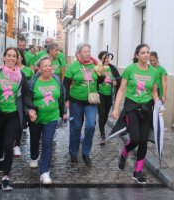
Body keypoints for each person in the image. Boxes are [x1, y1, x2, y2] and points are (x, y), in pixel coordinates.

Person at [111, 44, 159, 184]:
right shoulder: (130, 70)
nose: (146, 55)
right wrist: (116, 108)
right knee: (136, 139)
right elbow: (121, 90)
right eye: (143, 52)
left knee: (144, 140)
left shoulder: (154, 72)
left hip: (146, 108)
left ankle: (137, 171)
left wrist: (159, 105)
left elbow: (154, 91)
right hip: (131, 107)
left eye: (148, 52)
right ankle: (125, 151)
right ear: (137, 55)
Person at [0, 47, 36, 190]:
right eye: (9, 55)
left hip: (14, 114)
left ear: (17, 59)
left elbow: (26, 95)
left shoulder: (21, 76)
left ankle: (6, 178)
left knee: (9, 144)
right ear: (4, 57)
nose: (11, 58)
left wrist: (31, 109)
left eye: (14, 56)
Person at [64, 42, 104, 166]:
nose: (87, 54)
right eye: (84, 51)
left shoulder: (96, 65)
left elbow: (100, 81)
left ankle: (86, 153)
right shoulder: (72, 67)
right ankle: (73, 152)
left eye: (89, 51)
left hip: (91, 101)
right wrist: (66, 100)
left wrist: (101, 73)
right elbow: (65, 84)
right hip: (76, 101)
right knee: (76, 127)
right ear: (79, 54)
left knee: (91, 126)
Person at [28, 56, 67, 184]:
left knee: (47, 142)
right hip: (36, 118)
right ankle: (34, 156)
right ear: (39, 68)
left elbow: (61, 97)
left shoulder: (56, 80)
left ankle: (44, 172)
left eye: (50, 65)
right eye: (45, 66)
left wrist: (63, 113)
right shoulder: (33, 82)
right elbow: (27, 99)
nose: (48, 68)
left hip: (52, 117)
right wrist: (30, 110)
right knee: (34, 139)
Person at [97, 51, 121, 145]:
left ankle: (102, 129)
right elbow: (96, 80)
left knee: (106, 114)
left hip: (109, 94)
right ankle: (102, 135)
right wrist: (101, 74)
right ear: (101, 59)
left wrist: (116, 81)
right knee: (101, 114)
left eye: (108, 58)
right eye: (104, 58)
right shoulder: (98, 67)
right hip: (100, 94)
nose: (107, 59)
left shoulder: (112, 68)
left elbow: (119, 77)